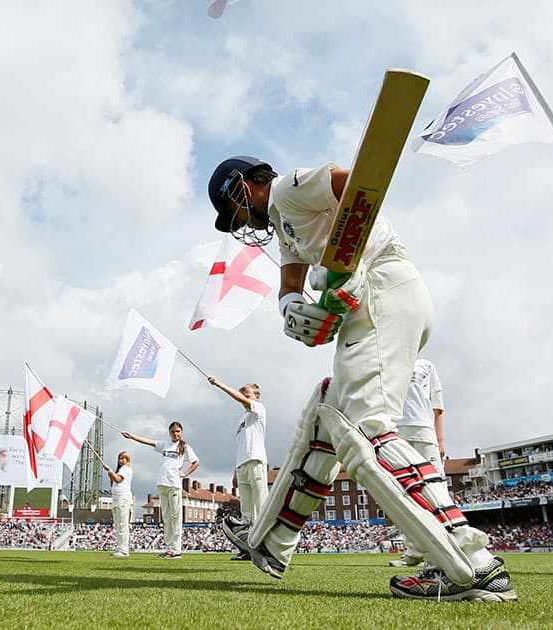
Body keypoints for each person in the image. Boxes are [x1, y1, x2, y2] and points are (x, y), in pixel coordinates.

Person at [207, 156, 515, 601]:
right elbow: (291, 284)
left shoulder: (289, 187)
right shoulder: (286, 225)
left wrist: (353, 265)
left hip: (382, 288)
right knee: (329, 411)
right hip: (375, 301)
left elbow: (357, 185)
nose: (236, 222)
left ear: (242, 187)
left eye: (230, 209)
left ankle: (473, 564)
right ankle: (270, 541)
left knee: (367, 430)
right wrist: (292, 309)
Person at [389, 358, 468, 567]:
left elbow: (437, 407)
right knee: (405, 494)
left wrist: (440, 440)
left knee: (438, 492)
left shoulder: (426, 365)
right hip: (397, 433)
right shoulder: (387, 359)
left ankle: (451, 548)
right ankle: (413, 551)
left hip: (425, 433)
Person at [208, 375, 268, 561]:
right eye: (242, 394)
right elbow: (241, 445)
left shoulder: (258, 409)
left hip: (256, 461)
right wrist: (236, 470)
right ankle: (248, 548)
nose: (243, 397)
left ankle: (266, 547)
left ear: (256, 396)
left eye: (247, 394)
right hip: (242, 465)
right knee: (247, 513)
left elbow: (242, 400)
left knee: (261, 505)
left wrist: (220, 384)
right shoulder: (241, 420)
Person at [122, 422, 199, 559]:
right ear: (169, 432)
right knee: (167, 517)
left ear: (181, 432)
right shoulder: (165, 445)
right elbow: (149, 442)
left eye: (178, 431)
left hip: (174, 485)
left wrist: (185, 474)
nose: (175, 434)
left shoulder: (185, 447)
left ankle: (176, 549)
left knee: (176, 517)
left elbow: (196, 462)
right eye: (173, 431)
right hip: (162, 485)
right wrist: (132, 437)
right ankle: (169, 548)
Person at [104, 450, 133, 558]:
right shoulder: (121, 469)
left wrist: (110, 471)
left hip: (123, 498)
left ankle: (124, 549)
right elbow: (113, 483)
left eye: (123, 458)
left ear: (127, 460)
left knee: (122, 524)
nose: (121, 460)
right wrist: (111, 474)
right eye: (120, 458)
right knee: (118, 524)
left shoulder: (126, 469)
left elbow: (118, 480)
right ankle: (120, 547)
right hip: (116, 498)